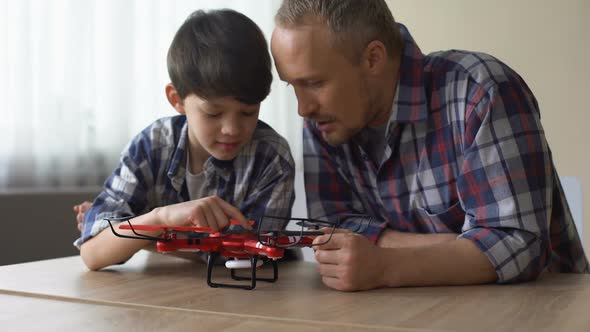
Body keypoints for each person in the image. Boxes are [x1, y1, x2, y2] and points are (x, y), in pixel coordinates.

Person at [271, 0, 588, 291]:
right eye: (293, 85)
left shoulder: (479, 91)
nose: (303, 108)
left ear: (373, 58)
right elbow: (332, 231)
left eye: (314, 83)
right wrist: (458, 245)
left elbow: (519, 245)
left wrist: (383, 265)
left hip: (541, 310)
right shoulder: (325, 119)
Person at [74, 9, 295, 271]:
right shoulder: (152, 146)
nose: (232, 129)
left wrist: (141, 233)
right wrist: (161, 218)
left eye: (248, 112)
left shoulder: (271, 157)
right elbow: (93, 252)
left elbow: (240, 258)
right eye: (213, 113)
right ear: (176, 99)